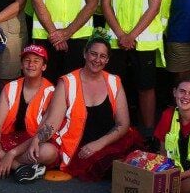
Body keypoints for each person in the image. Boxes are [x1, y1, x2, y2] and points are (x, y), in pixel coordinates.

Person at [36, 35, 140, 181]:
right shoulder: (67, 82)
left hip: (107, 143)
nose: (97, 60)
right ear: (85, 53)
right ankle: (16, 163)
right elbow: (52, 122)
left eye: (103, 56)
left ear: (108, 60)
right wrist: (33, 143)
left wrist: (98, 144)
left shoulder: (114, 81)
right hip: (76, 147)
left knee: (130, 164)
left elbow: (123, 124)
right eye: (93, 54)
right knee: (42, 152)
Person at [101, 0, 164, 135]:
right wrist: (120, 34)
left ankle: (147, 133)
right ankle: (116, 130)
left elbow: (154, 6)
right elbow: (106, 2)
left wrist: (132, 35)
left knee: (145, 88)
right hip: (116, 39)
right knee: (115, 87)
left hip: (143, 41)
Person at [0, 44, 58, 182]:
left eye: (36, 61)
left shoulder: (52, 92)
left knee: (50, 152)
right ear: (21, 65)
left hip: (32, 142)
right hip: (8, 139)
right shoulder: (10, 87)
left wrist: (11, 154)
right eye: (27, 60)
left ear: (44, 66)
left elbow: (43, 133)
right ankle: (19, 167)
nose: (30, 64)